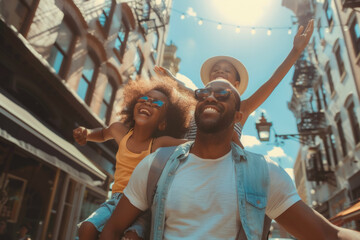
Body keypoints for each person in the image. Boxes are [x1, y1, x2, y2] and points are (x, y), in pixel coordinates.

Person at [100, 79, 360, 240]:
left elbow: (328, 234)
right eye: (203, 93)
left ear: (238, 116)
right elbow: (112, 230)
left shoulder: (263, 174)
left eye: (223, 94)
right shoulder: (156, 165)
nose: (210, 96)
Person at [155, 19, 314, 143]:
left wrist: (295, 51)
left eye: (226, 71)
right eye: (216, 69)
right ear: (207, 84)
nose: (220, 71)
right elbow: (183, 88)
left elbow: (272, 82)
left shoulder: (242, 109)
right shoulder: (200, 101)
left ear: (236, 85)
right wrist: (170, 78)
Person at [73, 77, 194, 240]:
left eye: (157, 103)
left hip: (142, 206)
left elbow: (193, 145)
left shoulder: (159, 144)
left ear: (163, 124)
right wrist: (87, 134)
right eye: (144, 99)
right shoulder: (119, 131)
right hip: (116, 199)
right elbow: (102, 134)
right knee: (87, 228)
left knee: (132, 237)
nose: (148, 103)